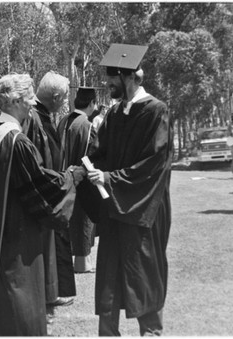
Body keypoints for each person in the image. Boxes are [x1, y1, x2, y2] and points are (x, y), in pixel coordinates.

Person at [0, 73, 83, 336]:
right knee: (18, 313)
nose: (31, 104)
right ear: (15, 101)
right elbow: (40, 186)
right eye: (28, 99)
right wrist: (71, 177)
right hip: (15, 245)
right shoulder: (16, 141)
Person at [82, 43, 174, 336]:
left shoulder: (156, 112)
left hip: (143, 209)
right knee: (109, 283)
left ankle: (151, 332)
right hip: (115, 209)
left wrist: (109, 178)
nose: (108, 83)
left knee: (143, 279)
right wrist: (86, 167)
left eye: (114, 78)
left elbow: (154, 163)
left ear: (132, 77)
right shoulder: (113, 114)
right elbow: (101, 152)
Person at [24, 70, 76, 309]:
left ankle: (52, 292)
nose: (66, 102)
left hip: (52, 188)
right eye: (64, 97)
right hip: (42, 193)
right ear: (55, 97)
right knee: (45, 245)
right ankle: (47, 294)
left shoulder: (42, 115)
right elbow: (32, 163)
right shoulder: (32, 118)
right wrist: (61, 180)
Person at [57, 87, 98, 274]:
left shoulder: (62, 121)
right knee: (82, 219)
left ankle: (69, 260)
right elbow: (93, 155)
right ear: (91, 103)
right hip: (81, 179)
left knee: (67, 220)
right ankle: (82, 264)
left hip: (61, 178)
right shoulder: (87, 126)